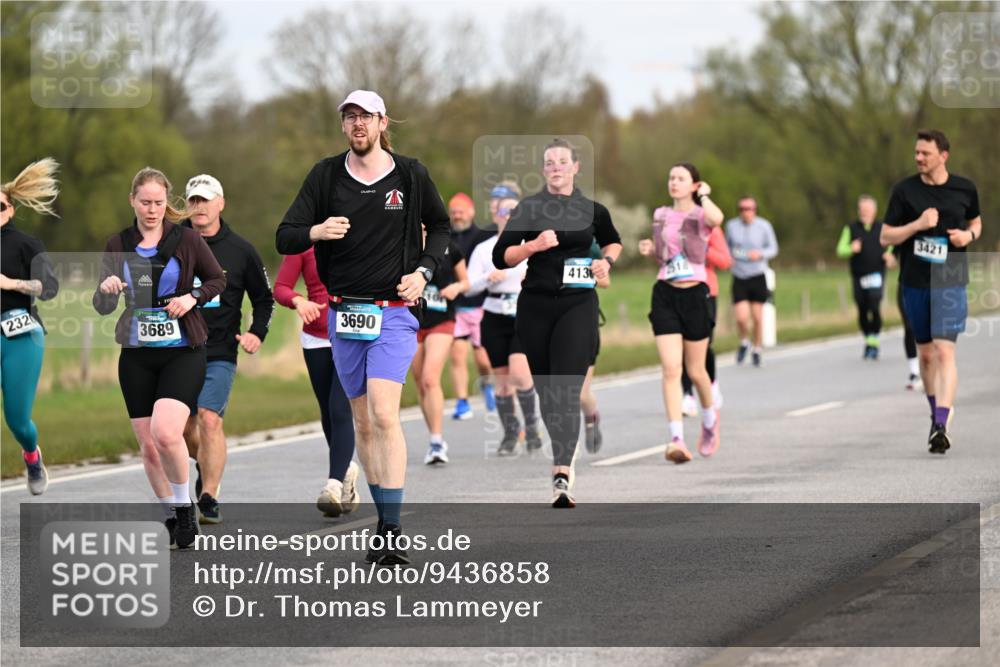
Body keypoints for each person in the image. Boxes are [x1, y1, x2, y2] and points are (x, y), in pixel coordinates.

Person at [276, 90, 450, 564]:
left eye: (365, 117)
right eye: (349, 117)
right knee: (362, 424)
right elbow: (285, 234)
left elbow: (441, 227)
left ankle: (392, 530)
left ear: (381, 121)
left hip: (394, 310)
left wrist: (424, 272)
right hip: (343, 313)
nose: (357, 124)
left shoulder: (410, 174)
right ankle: (383, 519)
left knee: (384, 412)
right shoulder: (326, 175)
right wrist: (316, 231)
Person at [94, 167, 226, 548]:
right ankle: (172, 513)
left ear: (167, 203)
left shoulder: (186, 239)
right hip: (136, 354)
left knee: (166, 433)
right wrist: (106, 289)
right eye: (145, 202)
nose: (153, 210)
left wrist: (192, 297)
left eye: (159, 202)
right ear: (133, 201)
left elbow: (218, 279)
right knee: (148, 445)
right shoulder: (117, 243)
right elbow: (102, 306)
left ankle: (185, 509)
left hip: (182, 350)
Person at [493, 139, 622, 507]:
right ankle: (565, 448)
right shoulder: (529, 208)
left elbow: (613, 242)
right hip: (535, 307)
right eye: (549, 162)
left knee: (566, 387)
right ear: (543, 170)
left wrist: (605, 264)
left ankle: (561, 472)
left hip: (577, 305)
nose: (556, 167)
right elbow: (502, 257)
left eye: (563, 161)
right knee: (549, 394)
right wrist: (533, 246)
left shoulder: (591, 209)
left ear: (576, 167)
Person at [180, 174, 275, 524]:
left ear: (221, 203)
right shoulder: (174, 244)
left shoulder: (241, 250)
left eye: (205, 200)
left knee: (209, 419)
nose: (199, 207)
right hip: (177, 350)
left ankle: (209, 496)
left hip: (219, 350)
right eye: (193, 200)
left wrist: (257, 333)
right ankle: (207, 465)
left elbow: (264, 300)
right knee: (182, 428)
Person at [880, 130, 981, 455]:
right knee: (925, 355)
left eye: (925, 153)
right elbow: (885, 237)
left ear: (943, 155)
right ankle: (935, 409)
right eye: (917, 153)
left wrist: (969, 237)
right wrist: (917, 225)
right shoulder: (904, 191)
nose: (919, 158)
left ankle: (941, 423)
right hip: (915, 280)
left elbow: (976, 223)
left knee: (945, 352)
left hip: (950, 277)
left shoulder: (965, 188)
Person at [639, 163, 725, 463]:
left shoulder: (702, 214)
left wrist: (704, 196)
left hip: (695, 294)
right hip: (665, 293)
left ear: (694, 184)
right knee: (671, 369)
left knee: (697, 371)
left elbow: (717, 218)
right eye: (671, 177)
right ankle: (676, 438)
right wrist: (651, 249)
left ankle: (710, 421)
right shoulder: (660, 215)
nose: (674, 182)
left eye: (681, 178)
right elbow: (665, 256)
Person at [274, 247, 361, 517]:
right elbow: (281, 287)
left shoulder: (361, 233)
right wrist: (299, 301)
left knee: (339, 408)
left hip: (352, 332)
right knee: (327, 411)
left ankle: (333, 486)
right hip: (316, 338)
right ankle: (346, 470)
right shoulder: (305, 241)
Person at [466, 183, 542, 457]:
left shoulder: (528, 245)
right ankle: (511, 432)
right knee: (502, 381)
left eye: (511, 208)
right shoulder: (484, 249)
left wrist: (528, 279)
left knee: (520, 374)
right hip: (494, 315)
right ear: (493, 210)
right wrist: (488, 278)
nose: (505, 213)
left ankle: (532, 428)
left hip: (522, 314)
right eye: (499, 207)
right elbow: (469, 285)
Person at [1, 158, 60, 495]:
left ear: (11, 209)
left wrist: (11, 284)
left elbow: (49, 289)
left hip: (19, 332)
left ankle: (32, 455)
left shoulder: (26, 244)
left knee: (17, 419)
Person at [412, 231, 468, 465]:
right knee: (420, 384)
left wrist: (456, 288)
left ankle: (436, 442)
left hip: (442, 318)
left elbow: (466, 281)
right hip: (411, 320)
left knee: (429, 379)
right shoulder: (404, 244)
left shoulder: (449, 247)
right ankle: (434, 438)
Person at [446, 193, 495, 420]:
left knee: (484, 360)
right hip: (454, 307)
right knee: (457, 356)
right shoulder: (444, 237)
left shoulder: (484, 236)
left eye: (461, 211)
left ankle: (487, 385)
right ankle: (462, 401)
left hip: (480, 305)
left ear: (471, 212)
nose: (457, 215)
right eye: (454, 211)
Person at [836, 195, 896, 360]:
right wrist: (851, 248)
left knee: (875, 305)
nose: (865, 213)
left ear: (874, 211)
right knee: (862, 309)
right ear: (858, 211)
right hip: (858, 275)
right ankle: (868, 340)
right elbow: (840, 250)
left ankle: (874, 341)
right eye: (862, 210)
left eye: (868, 210)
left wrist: (889, 255)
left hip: (877, 273)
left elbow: (892, 245)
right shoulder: (851, 228)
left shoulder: (883, 228)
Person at [681, 225, 731, 417]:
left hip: (706, 291)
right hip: (678, 289)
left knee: (704, 345)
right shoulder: (673, 222)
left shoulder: (711, 227)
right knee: (683, 347)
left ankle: (712, 384)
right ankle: (687, 396)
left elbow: (725, 261)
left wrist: (702, 247)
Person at [725, 196, 778, 367]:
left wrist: (760, 254)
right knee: (741, 318)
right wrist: (729, 258)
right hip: (739, 275)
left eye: (749, 209)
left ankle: (756, 348)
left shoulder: (764, 226)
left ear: (754, 210)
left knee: (757, 317)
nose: (745, 212)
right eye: (742, 209)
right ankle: (744, 341)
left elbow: (773, 248)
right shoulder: (731, 226)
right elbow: (726, 247)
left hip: (757, 275)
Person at [580, 238, 611, 453]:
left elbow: (605, 281)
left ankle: (591, 417)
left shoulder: (588, 244)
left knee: (580, 393)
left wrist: (576, 275)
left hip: (583, 319)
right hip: (552, 319)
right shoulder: (542, 239)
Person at [894, 244, 923, 390]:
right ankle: (914, 371)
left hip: (933, 284)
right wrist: (890, 256)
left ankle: (934, 371)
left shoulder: (939, 225)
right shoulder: (905, 228)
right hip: (907, 284)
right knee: (909, 327)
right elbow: (891, 246)